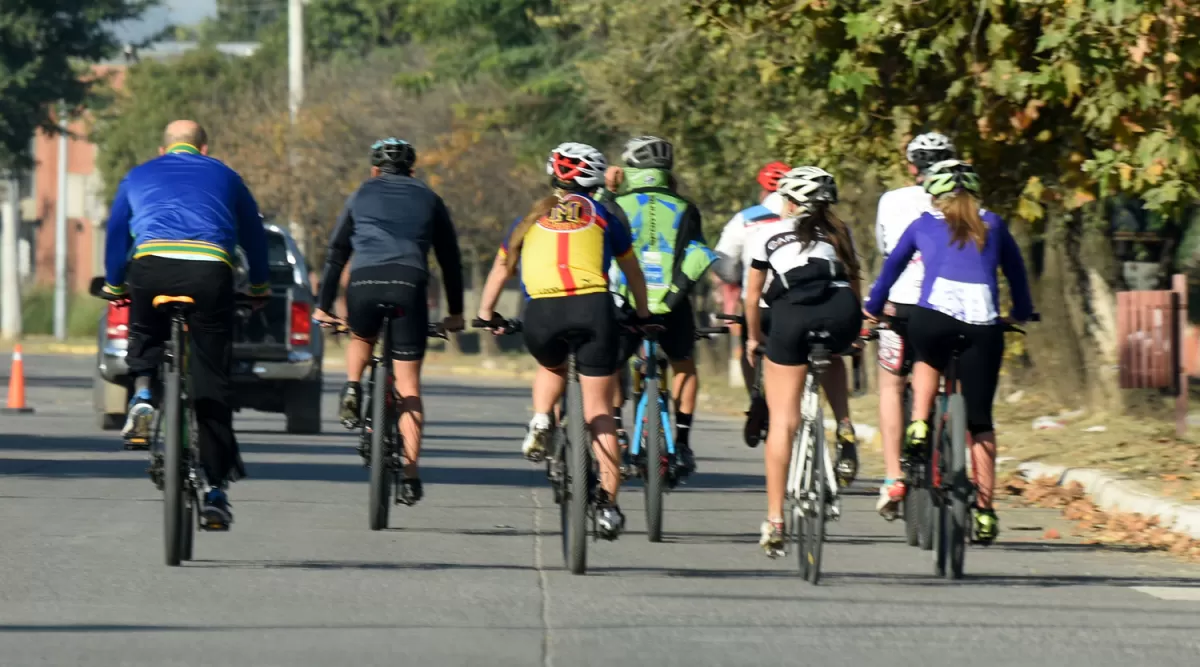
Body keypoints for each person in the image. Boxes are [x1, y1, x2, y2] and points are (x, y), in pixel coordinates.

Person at [476, 142, 652, 540]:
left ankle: (541, 419)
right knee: (600, 413)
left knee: (551, 364)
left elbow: (502, 267)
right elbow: (632, 270)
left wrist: (486, 314)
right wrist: (643, 315)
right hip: (594, 309)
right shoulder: (605, 214)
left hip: (542, 313)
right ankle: (608, 507)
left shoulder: (530, 218)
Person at [102, 120, 269, 530]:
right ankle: (215, 490)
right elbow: (254, 234)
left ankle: (142, 397)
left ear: (163, 150)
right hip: (210, 271)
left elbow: (115, 233)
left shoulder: (138, 175)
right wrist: (261, 285)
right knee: (212, 379)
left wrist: (114, 284)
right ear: (204, 148)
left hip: (151, 266)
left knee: (145, 333)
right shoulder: (227, 175)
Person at [864, 160, 1034, 543]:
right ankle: (987, 512)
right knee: (981, 424)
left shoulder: (923, 223)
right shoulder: (995, 224)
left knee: (926, 357)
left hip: (932, 320)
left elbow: (890, 270)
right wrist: (1021, 312)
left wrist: (873, 307)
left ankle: (920, 422)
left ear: (935, 195)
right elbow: (1018, 275)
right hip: (982, 327)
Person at [313, 137, 465, 506]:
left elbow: (337, 253)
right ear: (413, 171)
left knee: (362, 338)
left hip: (364, 281)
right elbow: (449, 258)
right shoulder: (429, 197)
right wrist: (456, 313)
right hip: (409, 283)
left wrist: (324, 306)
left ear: (374, 170)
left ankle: (352, 386)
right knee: (409, 385)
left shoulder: (361, 194)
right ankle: (411, 476)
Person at [744, 167, 864, 557]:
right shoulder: (840, 232)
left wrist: (752, 338)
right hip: (841, 310)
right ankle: (844, 424)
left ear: (789, 202)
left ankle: (776, 520)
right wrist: (856, 333)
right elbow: (854, 281)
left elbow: (752, 296)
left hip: (793, 314)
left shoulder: (766, 232)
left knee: (784, 421)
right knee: (834, 352)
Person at [602, 136, 716, 476]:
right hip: (673, 304)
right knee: (684, 365)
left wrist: (608, 190)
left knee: (607, 365)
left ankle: (619, 433)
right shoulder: (686, 208)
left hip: (625, 303)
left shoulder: (615, 206)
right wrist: (672, 297)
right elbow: (696, 255)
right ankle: (681, 442)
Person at [871, 131, 957, 519]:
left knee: (890, 384)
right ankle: (947, 434)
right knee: (944, 369)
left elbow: (885, 248)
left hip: (898, 305)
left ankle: (893, 477)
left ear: (911, 166)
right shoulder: (965, 199)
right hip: (950, 305)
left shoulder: (891, 200)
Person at [713, 161, 790, 448]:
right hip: (796, 302)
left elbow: (723, 261)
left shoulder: (746, 218)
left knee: (752, 345)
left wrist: (735, 276)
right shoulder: (802, 215)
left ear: (762, 190)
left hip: (757, 303)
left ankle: (755, 396)